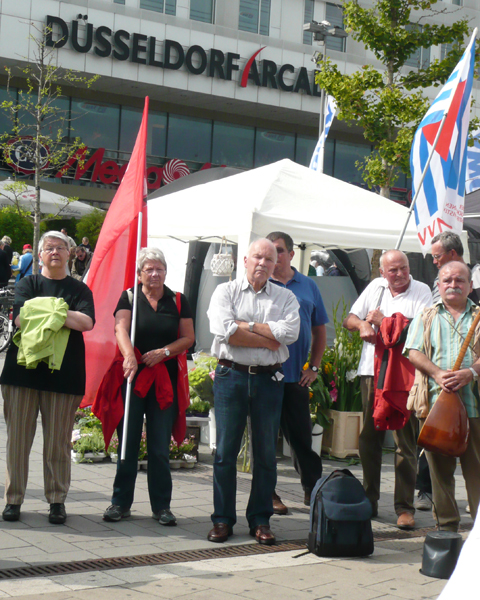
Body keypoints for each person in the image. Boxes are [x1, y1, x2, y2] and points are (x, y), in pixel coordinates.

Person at [207, 239, 300, 545]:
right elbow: (224, 330)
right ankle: (222, 519)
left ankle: (260, 519)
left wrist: (246, 326)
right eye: (257, 257)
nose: (262, 263)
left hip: (267, 380)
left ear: (277, 264)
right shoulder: (225, 291)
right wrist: (268, 336)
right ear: (244, 260)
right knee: (224, 453)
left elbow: (290, 333)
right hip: (230, 375)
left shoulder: (286, 296)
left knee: (265, 455)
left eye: (269, 259)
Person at [0, 231, 95, 524]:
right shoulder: (28, 283)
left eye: (61, 248)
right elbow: (20, 318)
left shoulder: (80, 290)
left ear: (70, 254)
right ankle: (14, 500)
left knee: (57, 443)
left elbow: (87, 322)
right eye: (49, 248)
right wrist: (63, 312)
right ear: (39, 255)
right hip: (21, 374)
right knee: (17, 441)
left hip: (64, 376)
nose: (55, 252)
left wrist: (47, 310)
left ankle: (56, 501)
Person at [100, 248, 195, 526]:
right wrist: (129, 354)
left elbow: (188, 338)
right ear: (140, 273)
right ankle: (120, 503)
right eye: (149, 269)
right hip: (131, 378)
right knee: (127, 443)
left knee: (158, 447)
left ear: (166, 272)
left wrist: (165, 351)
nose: (155, 274)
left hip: (163, 381)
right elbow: (120, 328)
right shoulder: (129, 296)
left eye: (160, 269)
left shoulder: (178, 300)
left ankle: (162, 506)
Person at [343, 250, 432, 530]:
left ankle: (404, 507)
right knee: (370, 436)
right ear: (383, 272)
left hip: (404, 375)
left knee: (405, 441)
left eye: (403, 268)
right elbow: (350, 318)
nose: (400, 274)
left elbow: (421, 329)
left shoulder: (421, 290)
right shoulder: (375, 288)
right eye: (393, 270)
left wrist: (383, 322)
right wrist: (362, 325)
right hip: (372, 372)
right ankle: (369, 498)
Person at [405, 261, 480, 532]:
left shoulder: (479, 315)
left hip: (475, 407)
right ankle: (447, 531)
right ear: (438, 285)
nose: (453, 284)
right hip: (436, 407)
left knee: (477, 472)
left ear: (470, 286)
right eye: (447, 280)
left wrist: (470, 372)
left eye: (460, 280)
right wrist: (437, 374)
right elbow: (413, 351)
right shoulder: (426, 316)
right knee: (439, 475)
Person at [266, 231, 328, 514]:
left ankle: (312, 489)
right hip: (264, 376)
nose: (274, 256)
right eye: (270, 251)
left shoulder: (308, 285)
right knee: (265, 440)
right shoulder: (260, 283)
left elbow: (319, 330)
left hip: (295, 378)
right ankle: (269, 494)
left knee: (302, 438)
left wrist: (313, 367)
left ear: (291, 254)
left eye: (279, 250)